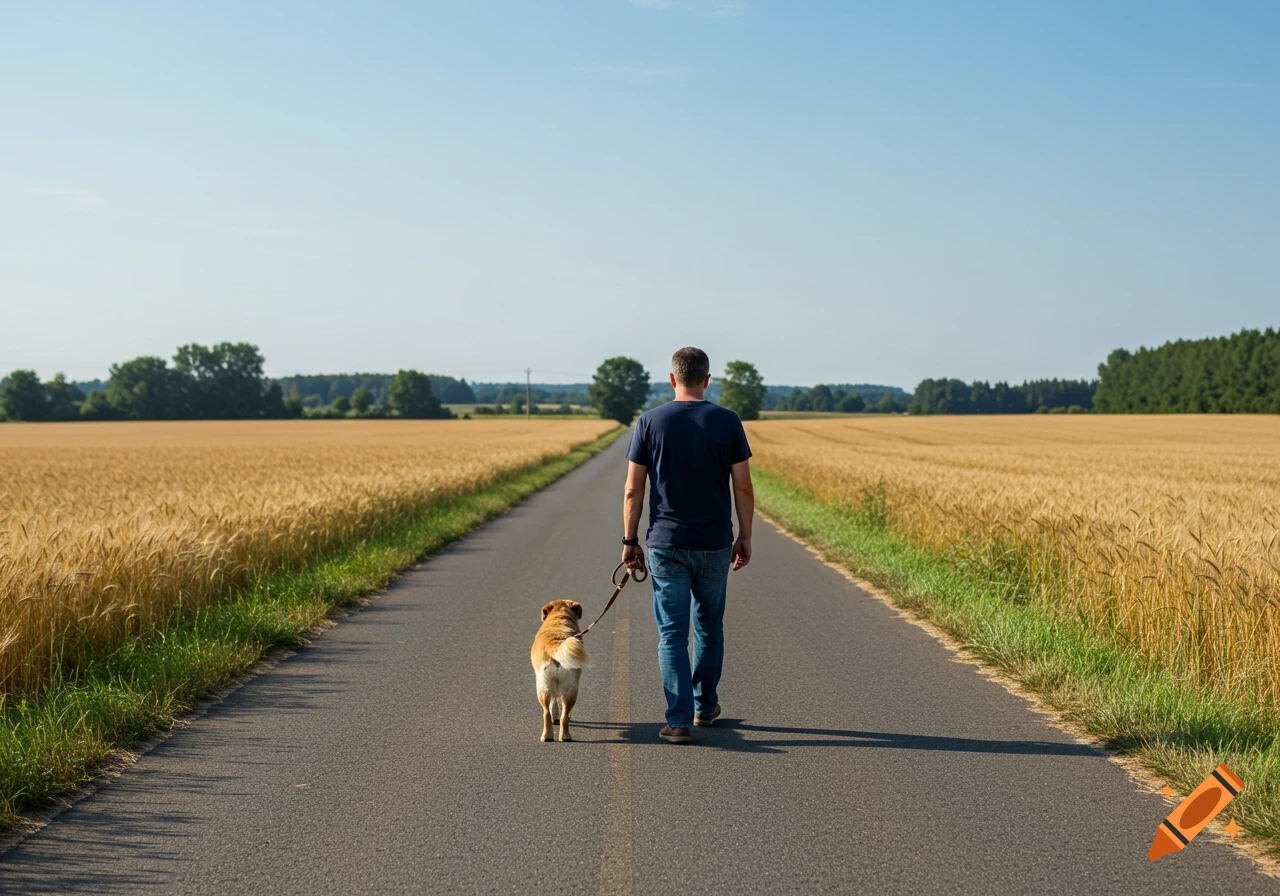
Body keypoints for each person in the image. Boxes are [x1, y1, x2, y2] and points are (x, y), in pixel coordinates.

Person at [621, 346, 754, 744]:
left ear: (673, 379)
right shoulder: (728, 421)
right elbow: (743, 487)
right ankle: (705, 706)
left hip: (666, 544)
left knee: (672, 633)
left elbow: (633, 490)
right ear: (708, 380)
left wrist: (629, 541)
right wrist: (745, 535)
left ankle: (678, 721)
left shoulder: (650, 421)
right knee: (710, 627)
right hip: (715, 542)